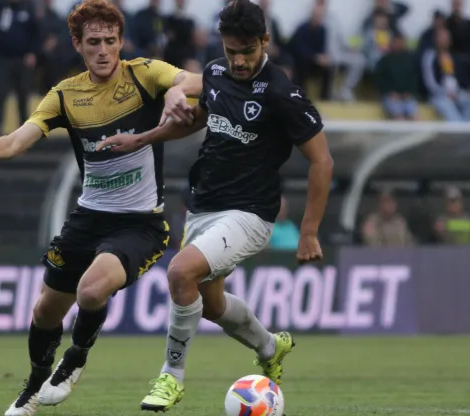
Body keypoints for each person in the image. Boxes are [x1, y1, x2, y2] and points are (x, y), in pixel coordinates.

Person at [0, 1, 200, 415]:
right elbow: (15, 141)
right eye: (94, 42)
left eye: (110, 41)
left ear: (121, 41)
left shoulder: (145, 73)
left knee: (92, 289)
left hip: (139, 224)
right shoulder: (65, 95)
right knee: (45, 310)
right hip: (87, 218)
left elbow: (198, 80)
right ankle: (32, 387)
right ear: (78, 45)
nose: (103, 50)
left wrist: (176, 88)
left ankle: (76, 358)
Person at [98, 0, 334, 411]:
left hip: (250, 212)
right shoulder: (215, 73)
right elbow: (196, 121)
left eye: (247, 50)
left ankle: (170, 378)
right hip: (204, 205)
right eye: (231, 51)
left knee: (179, 271)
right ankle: (269, 347)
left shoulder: (283, 93)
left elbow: (323, 161)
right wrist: (140, 139)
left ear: (265, 41)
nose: (239, 61)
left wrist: (309, 231)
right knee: (211, 304)